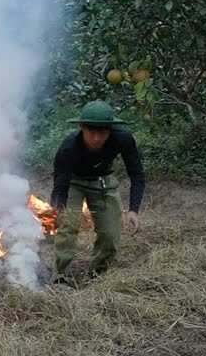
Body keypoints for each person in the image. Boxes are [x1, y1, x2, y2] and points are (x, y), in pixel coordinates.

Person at [50, 100, 145, 284]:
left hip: (103, 181)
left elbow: (137, 174)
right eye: (91, 130)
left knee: (110, 234)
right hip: (74, 182)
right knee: (67, 227)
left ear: (111, 128)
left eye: (103, 130)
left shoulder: (123, 138)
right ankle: (60, 276)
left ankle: (96, 275)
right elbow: (60, 184)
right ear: (81, 127)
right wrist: (60, 208)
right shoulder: (69, 147)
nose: (97, 137)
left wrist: (134, 209)